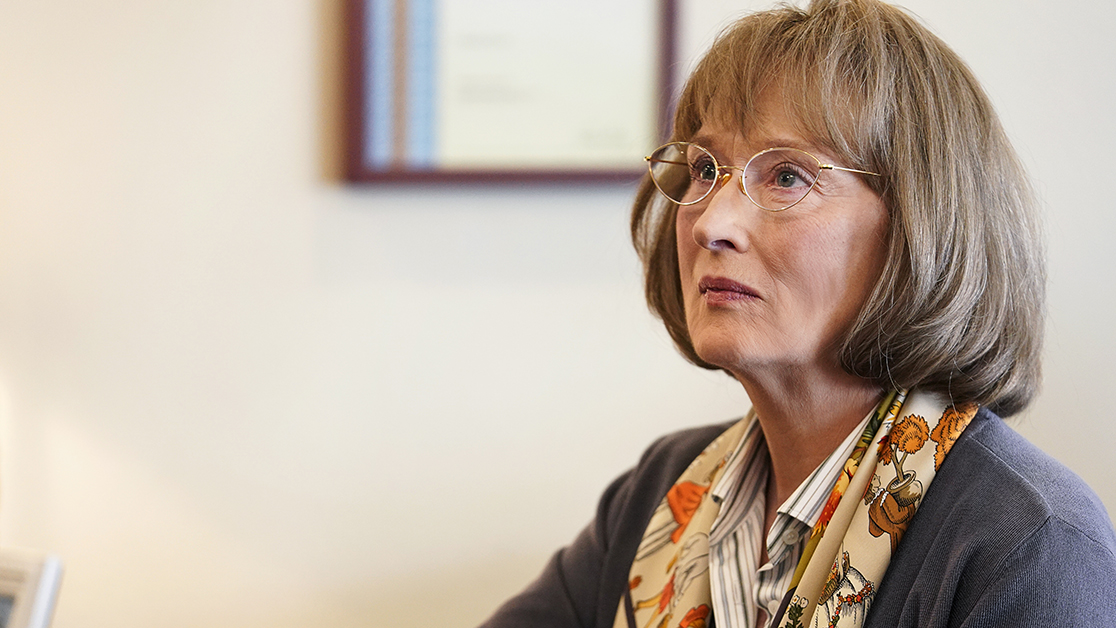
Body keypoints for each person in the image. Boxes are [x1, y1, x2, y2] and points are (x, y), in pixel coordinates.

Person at [479, 0, 1116, 626]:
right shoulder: (659, 492)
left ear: (921, 226)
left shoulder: (1031, 545)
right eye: (704, 169)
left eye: (786, 177)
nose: (711, 224)